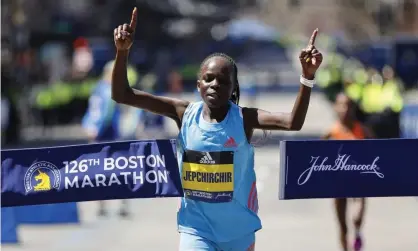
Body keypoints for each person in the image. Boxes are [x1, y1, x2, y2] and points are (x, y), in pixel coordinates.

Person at [112, 7, 323, 250]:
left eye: (223, 81)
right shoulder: (184, 113)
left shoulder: (244, 119)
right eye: (209, 78)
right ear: (199, 83)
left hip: (238, 232)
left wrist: (307, 77)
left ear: (234, 88)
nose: (215, 85)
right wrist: (122, 52)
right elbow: (122, 94)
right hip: (196, 229)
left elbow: (292, 122)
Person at [322, 92, 374, 251]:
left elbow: (378, 151)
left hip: (359, 180)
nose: (345, 109)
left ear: (353, 108)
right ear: (336, 108)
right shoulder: (331, 133)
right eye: (341, 105)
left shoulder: (363, 130)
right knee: (343, 226)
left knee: (356, 218)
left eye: (348, 105)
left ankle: (357, 231)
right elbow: (317, 157)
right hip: (338, 184)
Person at [81, 60, 130, 218]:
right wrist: (97, 129)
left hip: (101, 135)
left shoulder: (97, 88)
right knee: (118, 170)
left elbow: (92, 110)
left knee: (100, 171)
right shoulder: (110, 89)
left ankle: (103, 205)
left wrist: (88, 126)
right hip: (109, 135)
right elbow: (105, 113)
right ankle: (121, 204)